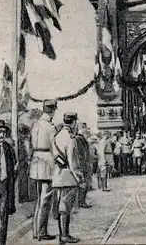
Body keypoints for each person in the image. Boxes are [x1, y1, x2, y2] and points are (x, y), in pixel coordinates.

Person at [52, 112, 83, 244]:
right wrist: (78, 176)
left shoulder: (57, 135)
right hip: (68, 176)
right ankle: (64, 235)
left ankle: (63, 234)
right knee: (66, 207)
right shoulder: (71, 138)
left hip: (57, 175)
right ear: (74, 122)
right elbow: (72, 160)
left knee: (60, 205)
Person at [29, 99, 58, 241]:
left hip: (36, 161)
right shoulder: (50, 127)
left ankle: (36, 231)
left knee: (40, 199)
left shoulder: (35, 124)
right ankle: (41, 232)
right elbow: (55, 147)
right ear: (53, 110)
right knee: (45, 199)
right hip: (47, 162)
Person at [75, 123, 92, 208]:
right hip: (82, 164)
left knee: (85, 183)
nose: (86, 129)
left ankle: (82, 201)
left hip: (84, 163)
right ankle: (81, 202)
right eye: (84, 128)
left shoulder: (81, 138)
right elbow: (80, 153)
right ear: (80, 128)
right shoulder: (78, 138)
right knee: (83, 183)